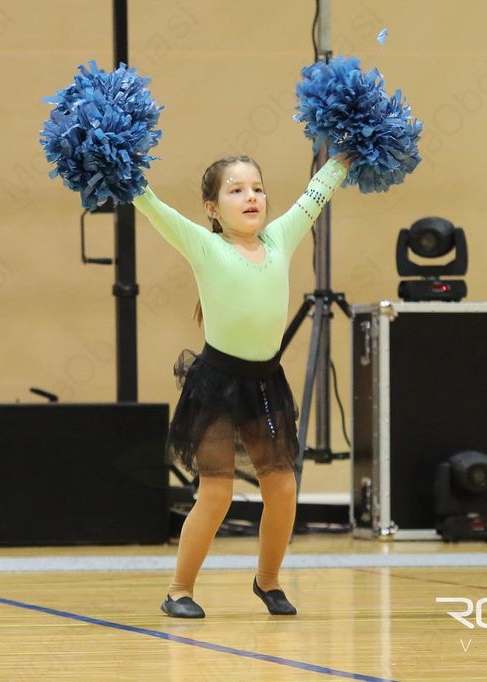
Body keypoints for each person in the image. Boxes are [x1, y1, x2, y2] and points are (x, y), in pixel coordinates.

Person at [132, 152, 352, 618]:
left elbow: (315, 197)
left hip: (265, 385)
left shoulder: (281, 238)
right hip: (216, 388)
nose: (251, 197)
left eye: (257, 188)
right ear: (212, 208)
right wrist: (124, 173)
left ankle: (268, 580)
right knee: (217, 493)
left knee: (283, 489)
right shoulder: (204, 246)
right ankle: (178, 590)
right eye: (236, 190)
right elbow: (154, 209)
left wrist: (345, 158)